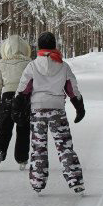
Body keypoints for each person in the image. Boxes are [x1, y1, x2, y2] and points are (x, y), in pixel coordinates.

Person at [13, 30, 85, 194]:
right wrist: (79, 107)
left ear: (39, 47)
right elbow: (72, 90)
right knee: (65, 147)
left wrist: (16, 107)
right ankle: (75, 181)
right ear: (54, 46)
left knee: (39, 147)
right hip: (57, 110)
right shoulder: (63, 65)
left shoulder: (32, 66)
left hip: (37, 111)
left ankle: (38, 183)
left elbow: (23, 89)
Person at [0, 34, 32, 171]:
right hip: (24, 97)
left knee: (4, 128)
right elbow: (34, 83)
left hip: (7, 98)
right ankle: (22, 157)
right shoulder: (29, 63)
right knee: (23, 128)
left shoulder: (1, 64)